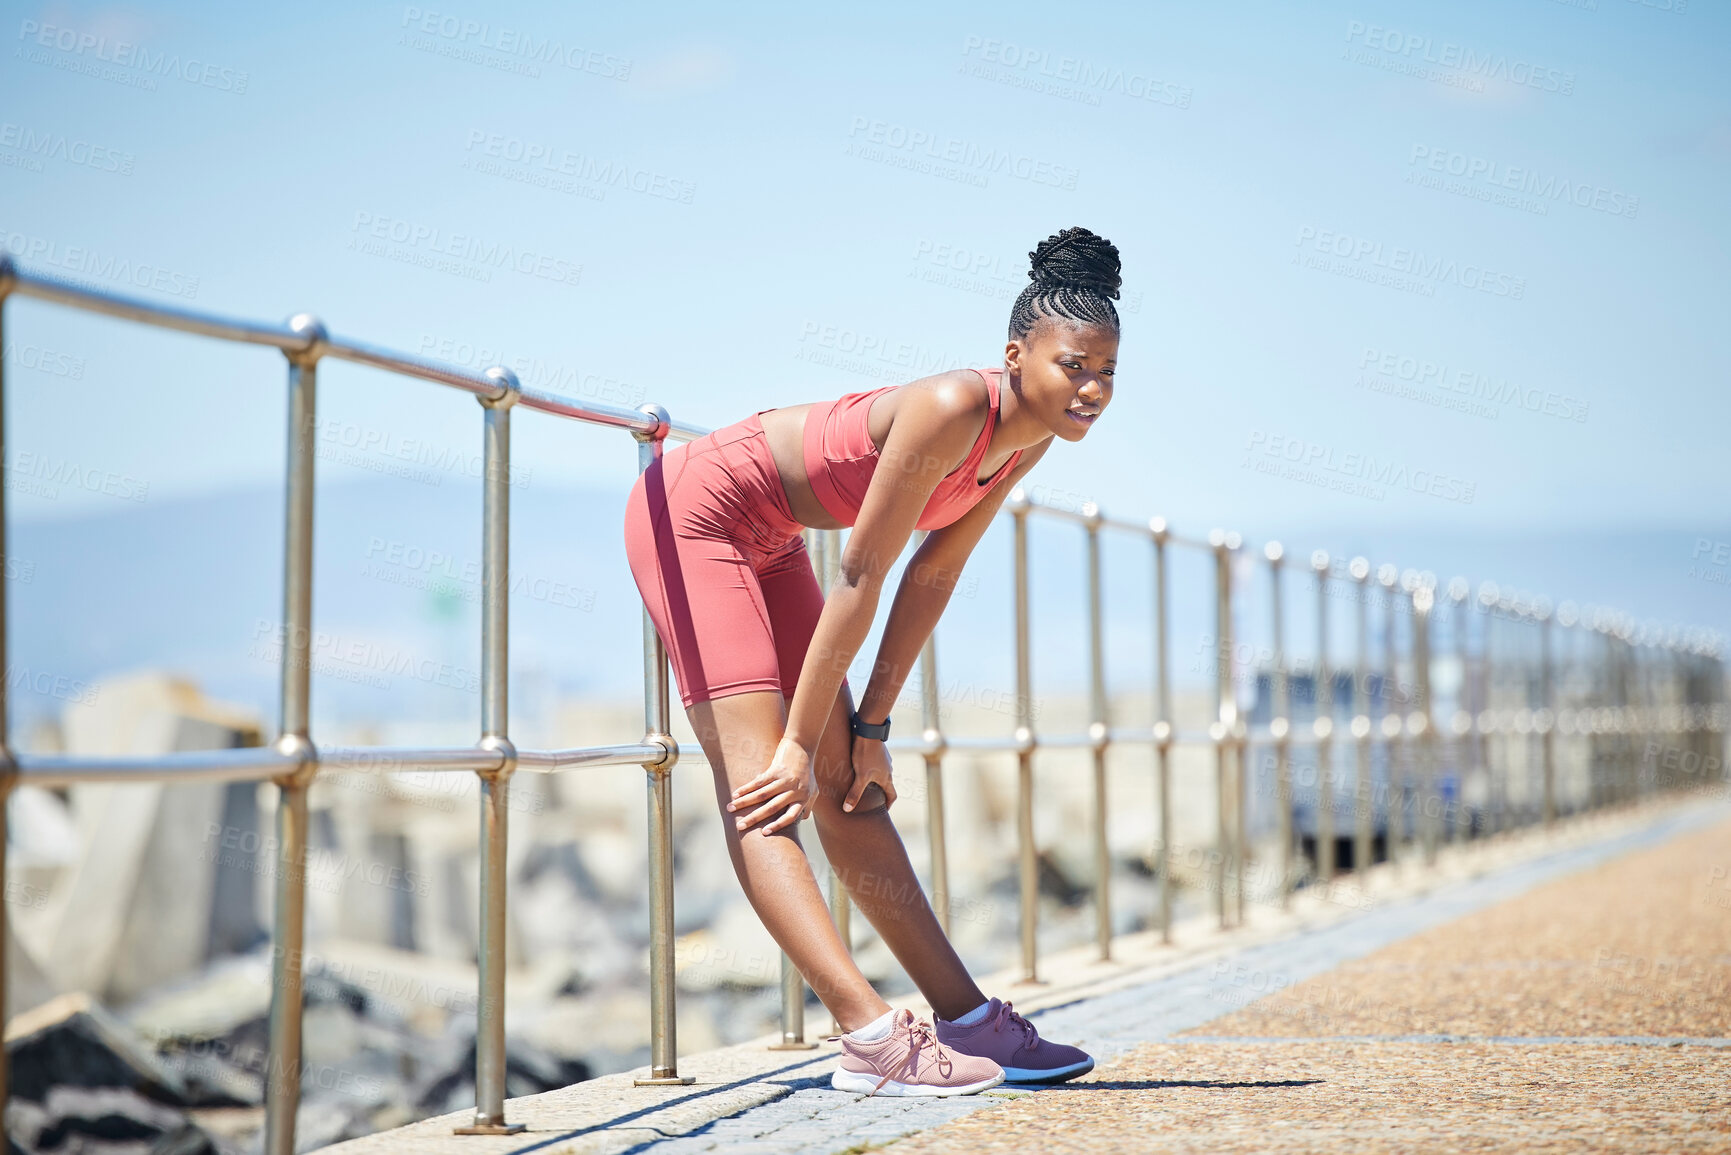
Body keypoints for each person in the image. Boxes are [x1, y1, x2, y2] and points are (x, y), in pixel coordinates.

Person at [622, 226, 1120, 1097]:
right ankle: (868, 1036)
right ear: (1016, 354)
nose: (1090, 389)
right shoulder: (949, 408)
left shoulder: (1025, 438)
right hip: (692, 517)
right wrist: (793, 742)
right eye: (1073, 366)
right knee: (767, 785)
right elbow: (861, 569)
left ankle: (966, 1019)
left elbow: (933, 572)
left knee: (845, 777)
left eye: (1105, 373)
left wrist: (870, 728)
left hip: (770, 537)